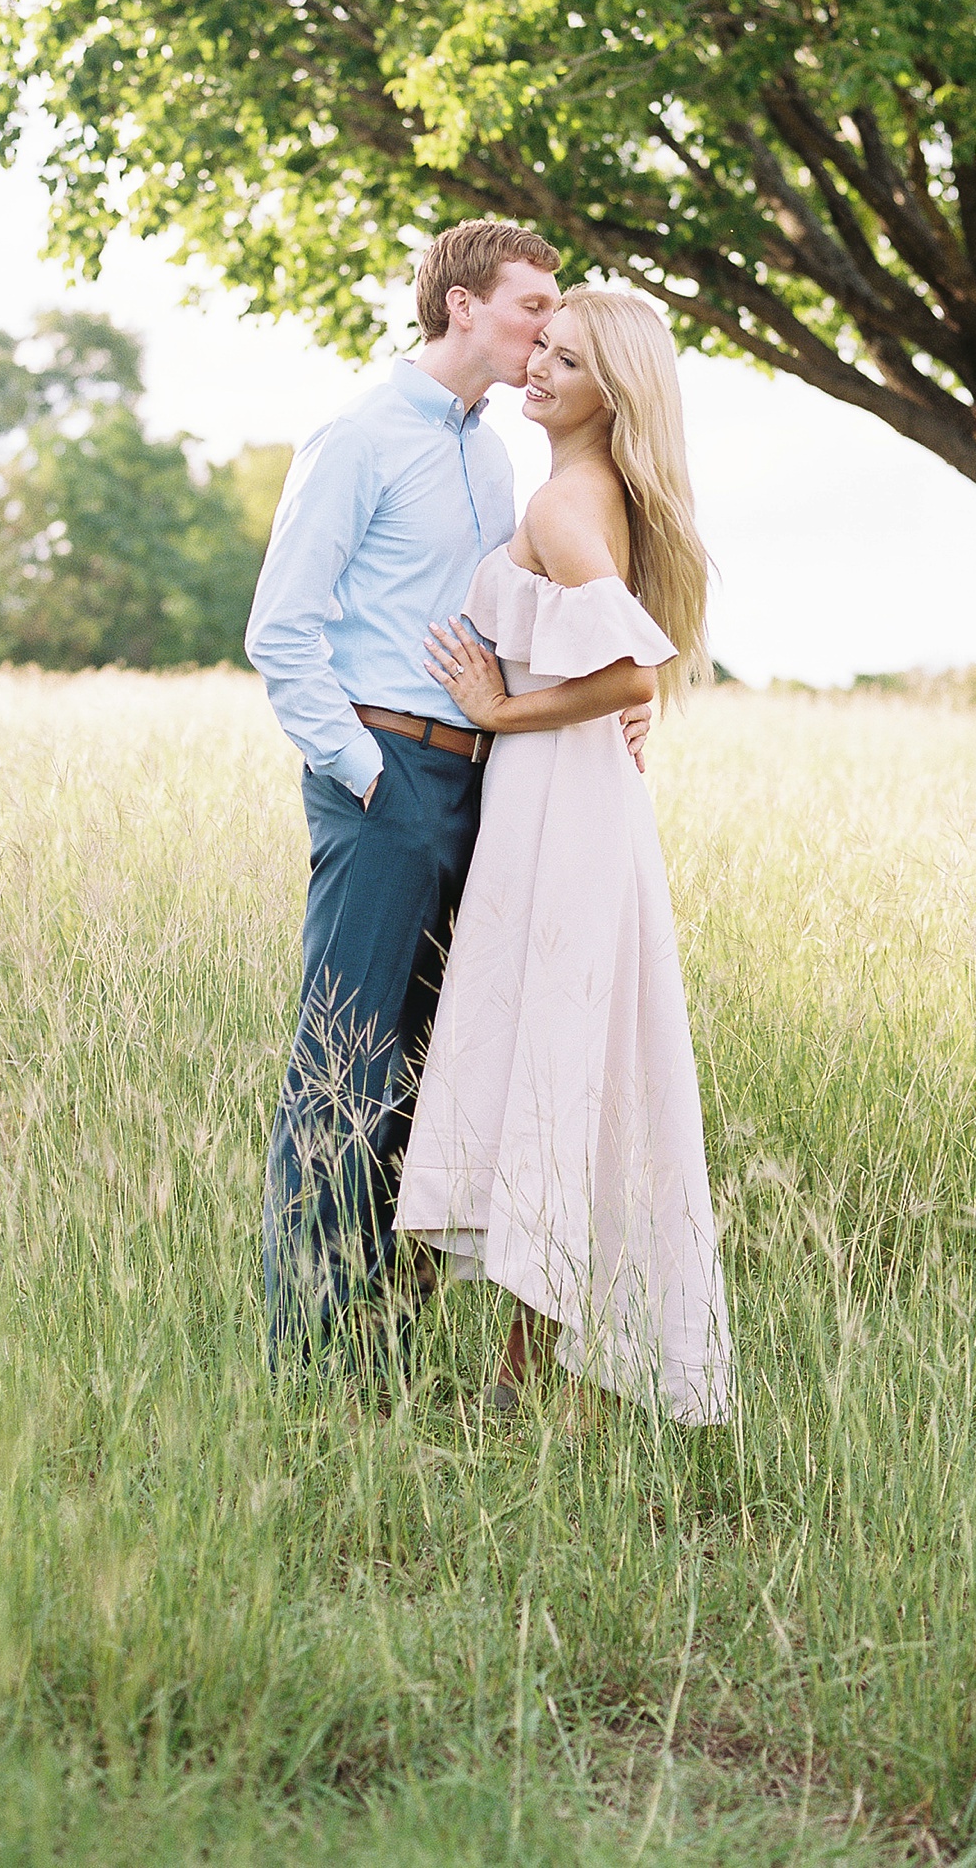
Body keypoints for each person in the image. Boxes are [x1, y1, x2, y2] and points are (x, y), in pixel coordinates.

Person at [245, 221, 651, 1369]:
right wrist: (371, 777)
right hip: (386, 776)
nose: (543, 333)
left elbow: (528, 622)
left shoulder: (491, 454)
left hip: (483, 785)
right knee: (346, 1065)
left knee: (431, 1074)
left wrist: (628, 688)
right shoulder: (361, 434)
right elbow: (281, 632)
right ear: (464, 306)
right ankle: (314, 1357)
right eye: (533, 307)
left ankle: (383, 1337)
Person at [394, 290, 733, 1425]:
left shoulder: (565, 501)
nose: (538, 365)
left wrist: (498, 711)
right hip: (569, 803)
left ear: (611, 392)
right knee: (555, 1067)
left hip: (561, 809)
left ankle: (479, 1366)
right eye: (542, 342)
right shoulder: (599, 495)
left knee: (538, 1059)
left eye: (568, 358)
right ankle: (516, 1373)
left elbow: (635, 671)